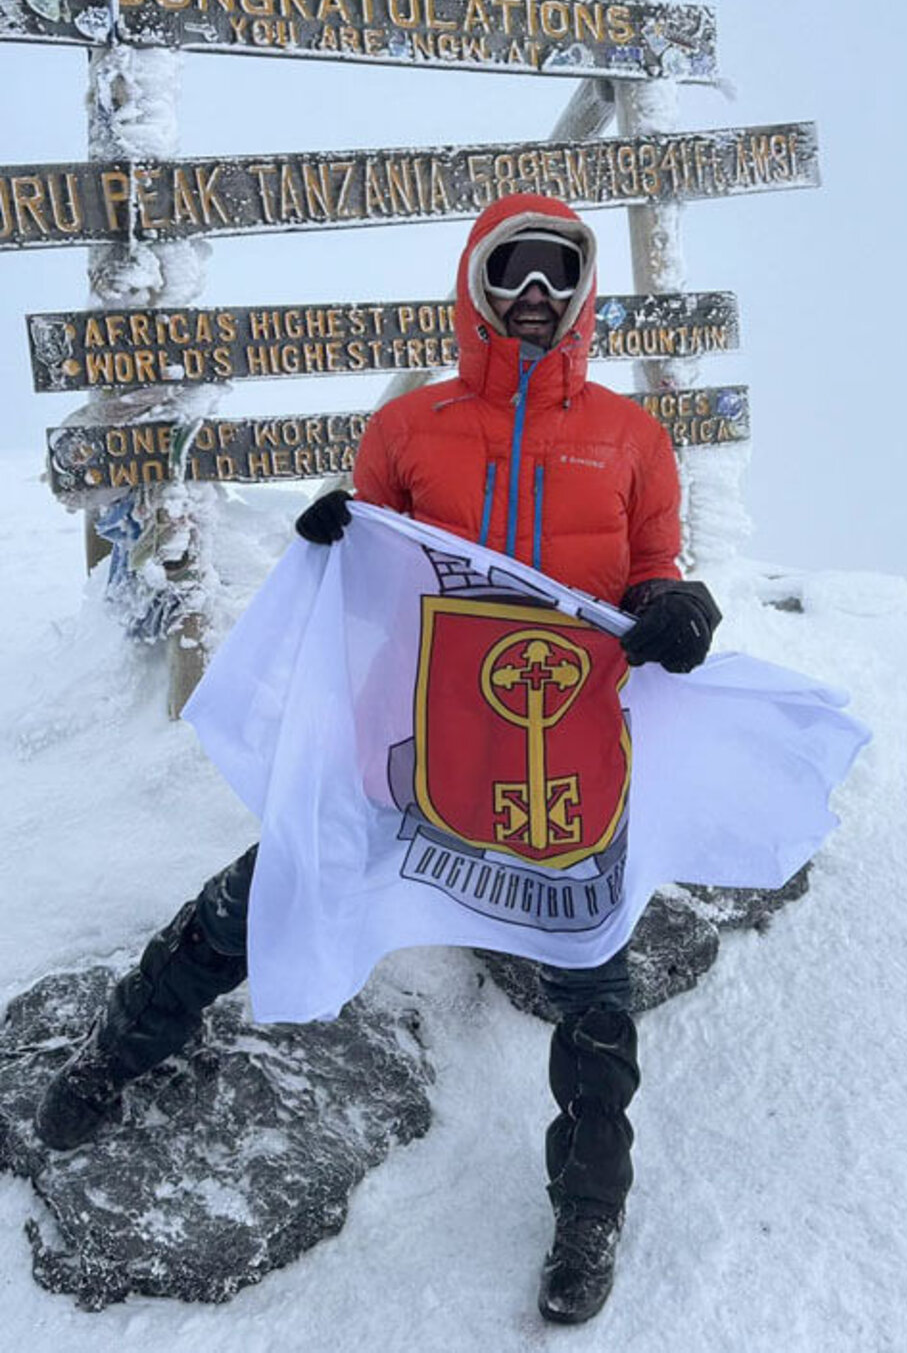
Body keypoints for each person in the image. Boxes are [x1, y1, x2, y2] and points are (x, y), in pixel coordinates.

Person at [34, 192, 721, 1325]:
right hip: (408, 744)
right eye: (516, 273)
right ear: (479, 284)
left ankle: (588, 1212)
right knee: (257, 895)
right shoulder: (410, 428)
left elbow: (652, 563)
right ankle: (115, 1054)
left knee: (595, 983)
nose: (536, 296)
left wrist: (677, 603)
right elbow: (375, 555)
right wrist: (331, 533)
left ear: (586, 289)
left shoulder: (632, 437)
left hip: (561, 761)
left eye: (558, 274)